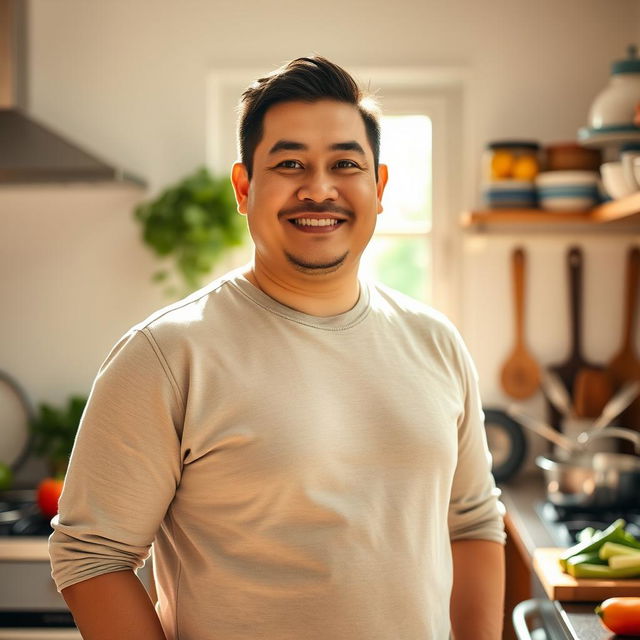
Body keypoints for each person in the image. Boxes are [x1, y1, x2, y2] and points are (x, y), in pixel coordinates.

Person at [49, 56, 505, 640]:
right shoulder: (167, 354)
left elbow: (472, 522)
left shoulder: (435, 341)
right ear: (244, 187)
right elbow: (92, 556)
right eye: (290, 164)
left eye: (345, 164)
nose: (319, 189)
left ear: (379, 187)